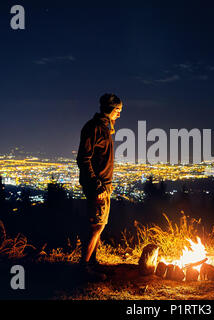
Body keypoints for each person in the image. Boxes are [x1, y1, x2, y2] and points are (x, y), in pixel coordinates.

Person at [76, 93, 123, 275]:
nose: (119, 115)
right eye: (118, 110)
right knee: (96, 226)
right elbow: (84, 158)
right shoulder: (94, 128)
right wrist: (97, 185)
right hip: (99, 187)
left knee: (99, 224)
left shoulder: (104, 128)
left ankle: (92, 262)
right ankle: (85, 267)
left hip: (103, 186)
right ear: (111, 109)